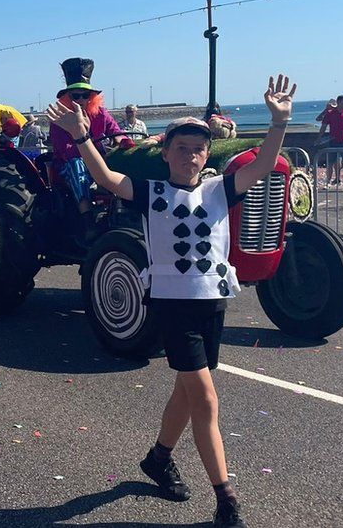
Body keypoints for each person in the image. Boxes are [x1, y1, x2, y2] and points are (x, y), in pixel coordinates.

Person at [48, 74, 296, 528]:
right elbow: (105, 176)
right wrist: (81, 135)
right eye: (181, 148)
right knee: (205, 400)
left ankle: (159, 459)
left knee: (187, 391)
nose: (191, 155)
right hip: (173, 305)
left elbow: (262, 166)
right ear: (166, 153)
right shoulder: (152, 192)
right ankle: (226, 498)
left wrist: (278, 123)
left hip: (212, 302)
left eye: (198, 149)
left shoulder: (220, 189)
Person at [50, 57, 132, 229]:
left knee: (123, 158)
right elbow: (66, 151)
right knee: (76, 164)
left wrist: (124, 142)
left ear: (91, 97)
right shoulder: (60, 119)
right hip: (67, 165)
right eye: (75, 95)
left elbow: (117, 132)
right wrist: (85, 138)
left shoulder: (101, 114)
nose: (80, 99)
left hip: (99, 162)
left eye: (85, 95)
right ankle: (87, 218)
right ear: (67, 97)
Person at [316, 95, 343, 190]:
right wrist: (319, 137)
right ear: (338, 102)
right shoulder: (331, 113)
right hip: (333, 141)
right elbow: (323, 126)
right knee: (330, 163)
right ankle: (328, 182)